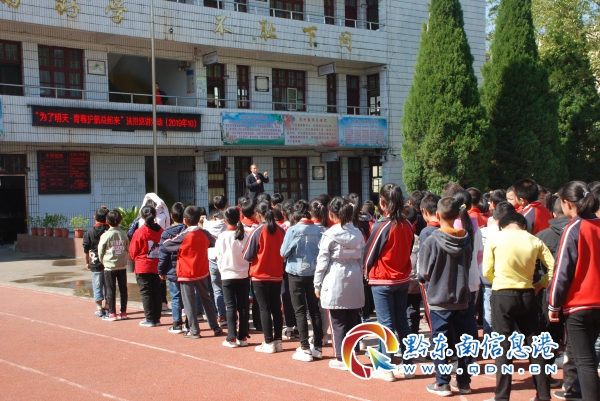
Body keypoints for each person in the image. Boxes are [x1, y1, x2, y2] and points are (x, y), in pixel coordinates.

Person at [483, 212, 555, 401]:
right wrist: (540, 284)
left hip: (502, 295)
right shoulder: (534, 240)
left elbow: (486, 271)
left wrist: (498, 282)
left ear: (502, 226)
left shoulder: (495, 239)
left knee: (503, 347)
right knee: (536, 346)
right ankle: (543, 395)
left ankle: (502, 396)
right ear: (523, 226)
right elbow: (553, 267)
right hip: (528, 294)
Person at [548, 181, 600, 401]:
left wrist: (553, 304)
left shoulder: (573, 228)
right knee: (590, 360)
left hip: (579, 303)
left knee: (585, 362)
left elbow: (562, 271)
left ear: (567, 203)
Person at [418, 197, 474, 396]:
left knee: (440, 341)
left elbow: (423, 272)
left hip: (439, 298)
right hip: (462, 297)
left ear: (438, 214)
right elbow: (468, 264)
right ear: (458, 215)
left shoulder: (432, 241)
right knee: (464, 340)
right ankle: (464, 381)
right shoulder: (466, 238)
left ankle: (442, 382)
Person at [364, 183, 415, 382]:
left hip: (383, 279)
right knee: (402, 322)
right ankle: (408, 364)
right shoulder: (407, 224)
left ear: (382, 203)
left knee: (386, 325)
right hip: (401, 278)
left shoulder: (382, 226)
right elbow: (409, 248)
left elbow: (370, 254)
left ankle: (386, 367)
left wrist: (365, 273)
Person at [314, 197, 365, 371]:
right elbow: (362, 258)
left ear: (331, 214)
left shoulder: (330, 234)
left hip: (335, 275)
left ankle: (341, 356)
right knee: (352, 318)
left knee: (337, 320)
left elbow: (322, 262)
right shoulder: (358, 233)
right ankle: (352, 353)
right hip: (354, 276)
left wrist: (317, 284)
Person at [162, 206, 221, 338]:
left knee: (189, 302)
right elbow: (214, 241)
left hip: (186, 272)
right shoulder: (204, 233)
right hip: (201, 270)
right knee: (207, 299)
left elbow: (167, 245)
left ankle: (194, 330)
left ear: (185, 220)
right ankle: (215, 326)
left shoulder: (184, 235)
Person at [280, 200, 324, 362]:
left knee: (299, 310)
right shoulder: (318, 230)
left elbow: (283, 252)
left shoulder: (293, 230)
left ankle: (305, 347)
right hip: (313, 272)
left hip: (295, 272)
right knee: (314, 309)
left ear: (295, 214)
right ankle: (317, 346)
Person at [243, 201, 286, 353]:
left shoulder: (257, 231)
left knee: (264, 307)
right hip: (276, 273)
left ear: (259, 214)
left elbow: (247, 255)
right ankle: (278, 340)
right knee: (276, 307)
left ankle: (268, 341)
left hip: (260, 274)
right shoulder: (281, 230)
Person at [215, 206, 250, 348]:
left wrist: (222, 269)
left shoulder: (222, 236)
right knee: (243, 306)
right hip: (243, 274)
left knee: (230, 306)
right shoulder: (245, 235)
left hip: (228, 274)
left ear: (225, 220)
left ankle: (232, 337)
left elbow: (218, 256)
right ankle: (243, 337)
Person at [479, 201, 515, 335]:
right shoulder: (510, 235)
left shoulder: (481, 232)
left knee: (489, 311)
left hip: (486, 278)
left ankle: (489, 339)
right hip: (506, 278)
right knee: (509, 314)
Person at [130, 205, 164, 327]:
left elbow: (133, 251)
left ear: (142, 216)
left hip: (143, 266)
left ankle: (149, 319)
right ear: (155, 215)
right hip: (157, 266)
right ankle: (156, 318)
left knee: (146, 293)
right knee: (156, 292)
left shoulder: (140, 232)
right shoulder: (161, 231)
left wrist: (136, 259)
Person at [158, 202, 187, 334]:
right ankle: (189, 323)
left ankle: (177, 323)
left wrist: (161, 271)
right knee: (188, 297)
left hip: (172, 269)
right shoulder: (189, 231)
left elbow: (163, 254)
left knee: (175, 297)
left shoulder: (167, 233)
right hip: (187, 268)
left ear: (171, 216)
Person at [98, 210, 130, 321]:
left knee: (111, 290)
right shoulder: (123, 234)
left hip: (109, 266)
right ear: (120, 221)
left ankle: (112, 313)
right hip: (122, 265)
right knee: (123, 289)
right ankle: (123, 312)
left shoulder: (106, 235)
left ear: (107, 221)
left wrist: (103, 261)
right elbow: (127, 247)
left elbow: (100, 250)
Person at [83, 207, 110, 317]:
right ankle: (108, 306)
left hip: (95, 262)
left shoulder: (89, 233)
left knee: (97, 285)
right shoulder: (109, 231)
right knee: (109, 285)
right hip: (109, 263)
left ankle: (99, 308)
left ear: (94, 218)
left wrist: (87, 262)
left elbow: (86, 250)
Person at [205, 208, 227, 326]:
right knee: (227, 289)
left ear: (213, 218)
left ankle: (222, 316)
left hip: (212, 261)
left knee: (217, 289)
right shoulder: (226, 226)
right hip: (225, 261)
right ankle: (231, 315)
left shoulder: (206, 227)